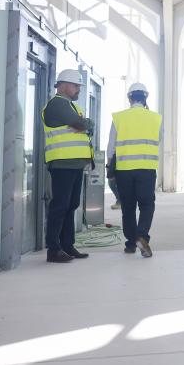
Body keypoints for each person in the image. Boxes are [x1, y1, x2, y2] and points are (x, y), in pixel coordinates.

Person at [41, 69, 94, 263]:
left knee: (71, 205)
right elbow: (80, 123)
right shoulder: (57, 104)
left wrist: (85, 124)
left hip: (74, 163)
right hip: (62, 163)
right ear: (63, 85)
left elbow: (86, 125)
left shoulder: (70, 106)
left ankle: (67, 245)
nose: (78, 88)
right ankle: (54, 249)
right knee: (60, 205)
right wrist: (83, 124)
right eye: (76, 85)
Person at [107, 82, 161, 258]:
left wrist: (110, 167)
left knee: (128, 207)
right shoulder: (156, 118)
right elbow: (159, 139)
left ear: (129, 97)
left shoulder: (119, 117)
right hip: (146, 168)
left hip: (124, 169)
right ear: (146, 97)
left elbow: (111, 147)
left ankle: (130, 244)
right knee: (147, 205)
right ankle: (142, 236)